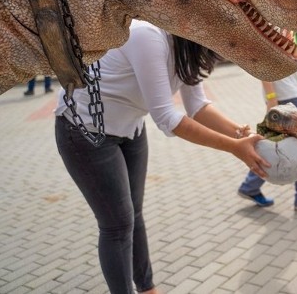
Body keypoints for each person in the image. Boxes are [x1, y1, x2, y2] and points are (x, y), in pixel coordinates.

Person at [54, 20, 270, 294]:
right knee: (117, 224)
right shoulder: (148, 36)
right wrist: (233, 147)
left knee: (135, 214)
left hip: (130, 128)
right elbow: (167, 117)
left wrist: (239, 134)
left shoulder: (188, 46)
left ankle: (147, 288)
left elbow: (198, 106)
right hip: (86, 131)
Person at [237, 70, 297, 211]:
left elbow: (289, 62)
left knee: (276, 149)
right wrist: (271, 98)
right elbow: (263, 62)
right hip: (282, 97)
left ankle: (250, 186)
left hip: (290, 93)